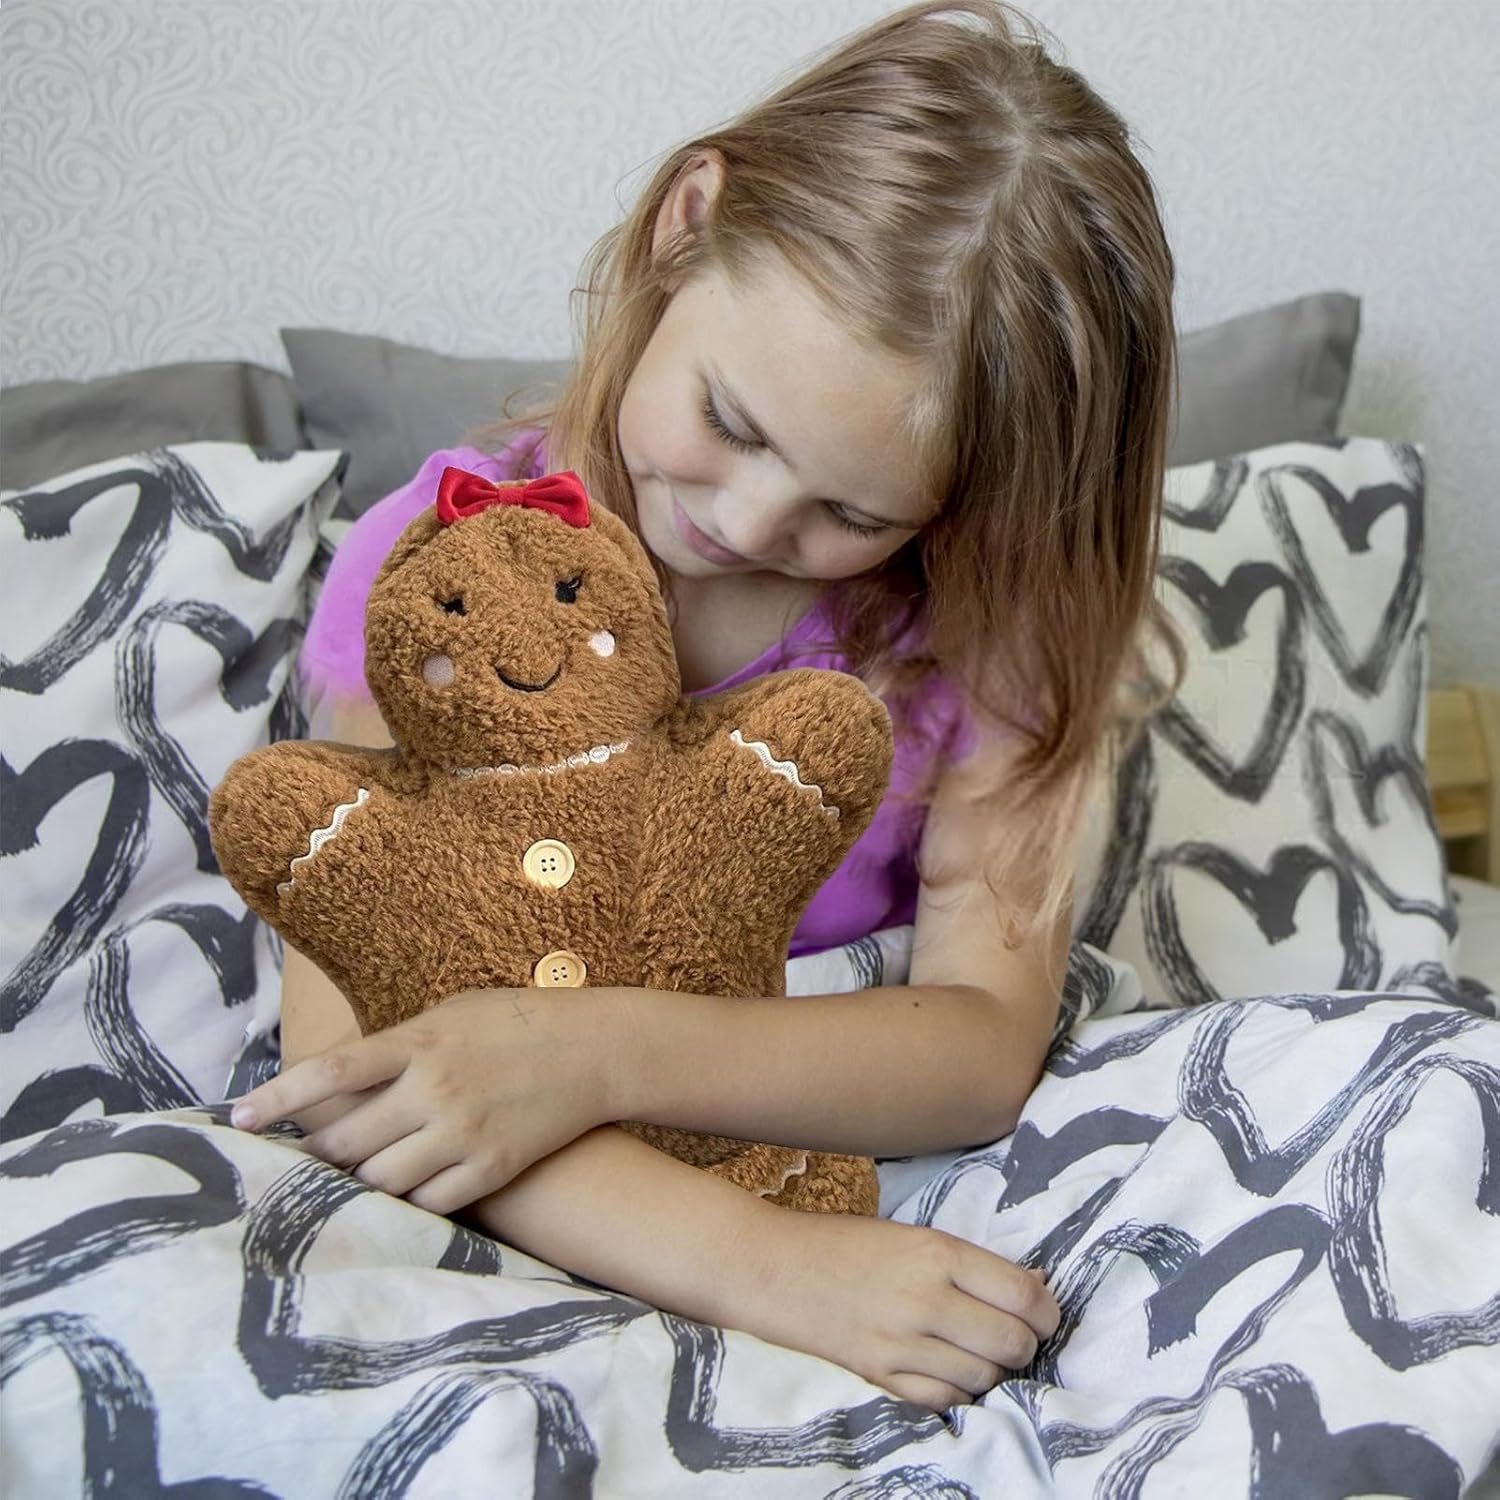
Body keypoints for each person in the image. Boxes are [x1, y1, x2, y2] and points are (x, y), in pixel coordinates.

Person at [231, 0, 1179, 1412]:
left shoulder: (987, 638)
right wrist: (765, 1266)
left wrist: (584, 1051)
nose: (742, 521)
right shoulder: (439, 573)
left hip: (822, 1147)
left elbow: (982, 1044)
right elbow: (360, 1066)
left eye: (854, 511)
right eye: (731, 423)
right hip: (556, 1203)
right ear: (688, 224)